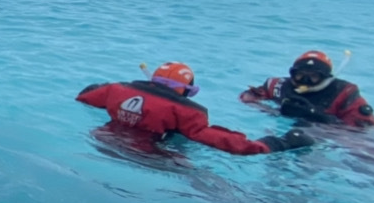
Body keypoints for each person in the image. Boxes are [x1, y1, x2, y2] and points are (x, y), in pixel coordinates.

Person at [77, 62, 312, 155]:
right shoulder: (187, 112)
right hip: (147, 155)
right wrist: (278, 143)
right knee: (201, 177)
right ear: (186, 90)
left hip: (100, 141)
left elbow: (86, 97)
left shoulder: (116, 91)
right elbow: (221, 141)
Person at [240, 50, 374, 128]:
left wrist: (317, 117)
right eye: (300, 75)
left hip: (325, 136)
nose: (305, 81)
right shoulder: (277, 86)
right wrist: (275, 111)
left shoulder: (344, 93)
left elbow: (364, 131)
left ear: (325, 78)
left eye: (313, 77)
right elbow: (247, 98)